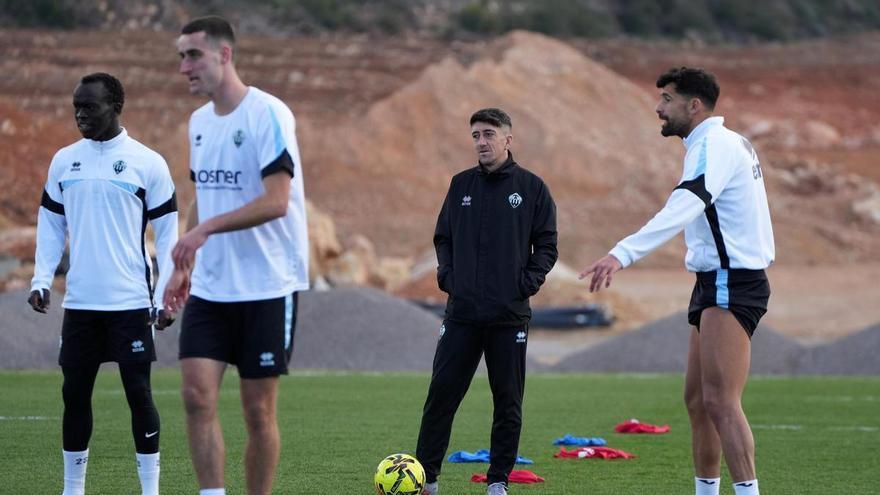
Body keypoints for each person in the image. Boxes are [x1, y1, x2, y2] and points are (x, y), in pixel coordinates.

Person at [580, 67, 774, 495]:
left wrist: (621, 253)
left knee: (722, 402)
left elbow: (684, 205)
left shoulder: (714, 145)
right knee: (697, 402)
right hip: (712, 281)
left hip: (731, 280)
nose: (658, 107)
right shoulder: (715, 143)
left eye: (666, 99)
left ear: (694, 105)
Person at [163, 15, 309, 495]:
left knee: (257, 411)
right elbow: (203, 197)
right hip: (211, 287)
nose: (184, 66)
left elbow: (276, 200)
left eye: (193, 55)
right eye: (181, 56)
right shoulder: (199, 123)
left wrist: (202, 232)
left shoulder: (268, 114)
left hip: (267, 285)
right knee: (195, 395)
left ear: (224, 55)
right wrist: (182, 268)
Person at [28, 72, 178, 495]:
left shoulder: (147, 162)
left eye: (88, 106)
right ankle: (72, 490)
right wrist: (41, 278)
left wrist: (166, 294)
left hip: (130, 301)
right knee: (74, 395)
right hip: (80, 304)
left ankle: (150, 491)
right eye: (76, 105)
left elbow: (168, 235)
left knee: (138, 393)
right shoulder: (64, 161)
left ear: (115, 106)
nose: (79, 114)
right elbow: (51, 225)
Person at [416, 108, 558, 495]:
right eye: (476, 135)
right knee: (441, 396)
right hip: (461, 314)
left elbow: (547, 245)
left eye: (489, 134)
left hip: (508, 316)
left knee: (508, 403)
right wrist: (447, 276)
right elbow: (442, 237)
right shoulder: (460, 185)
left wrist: (526, 282)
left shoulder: (531, 188)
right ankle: (427, 480)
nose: (481, 141)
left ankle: (497, 482)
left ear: (508, 139)